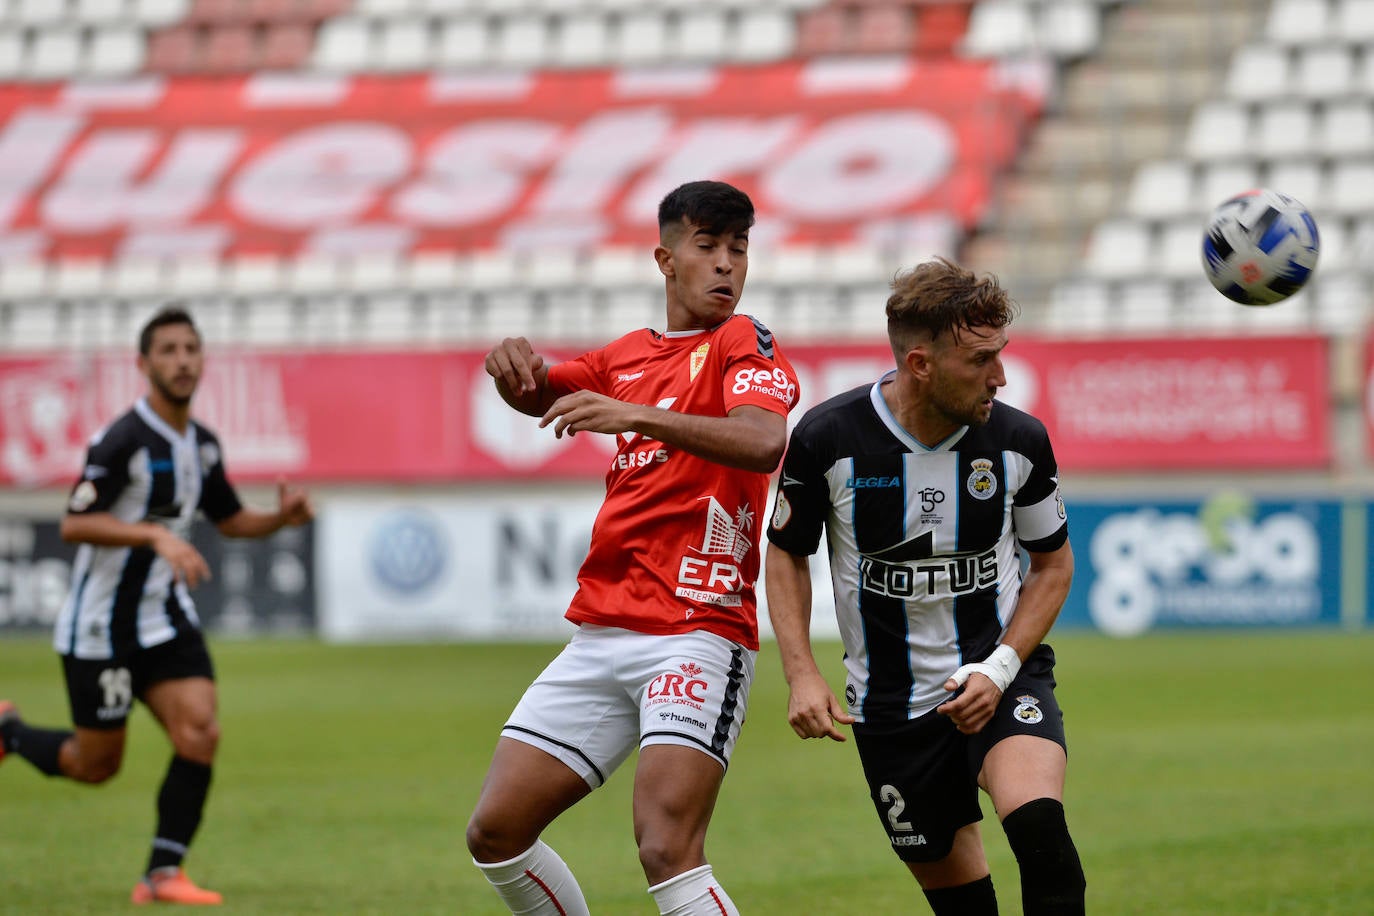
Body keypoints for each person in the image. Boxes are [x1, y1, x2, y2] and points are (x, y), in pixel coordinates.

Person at [468, 180, 799, 916]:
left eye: (738, 250)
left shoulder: (742, 342)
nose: (725, 266)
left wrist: (636, 416)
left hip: (696, 630)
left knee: (666, 849)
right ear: (665, 259)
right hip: (602, 632)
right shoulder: (626, 356)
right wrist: (507, 365)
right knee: (496, 833)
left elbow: (763, 439)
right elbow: (537, 392)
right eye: (707, 247)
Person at [763, 258, 1085, 915]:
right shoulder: (828, 441)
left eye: (1002, 355)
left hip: (1001, 679)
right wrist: (801, 673)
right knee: (962, 903)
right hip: (888, 706)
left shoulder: (1019, 440)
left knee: (1040, 833)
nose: (1001, 375)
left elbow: (1052, 566)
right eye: (981, 360)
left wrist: (997, 670)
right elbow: (786, 555)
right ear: (920, 365)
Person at [0, 306, 314, 906]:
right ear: (143, 365)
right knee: (96, 766)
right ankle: (9, 733)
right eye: (167, 350)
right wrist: (152, 533)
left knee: (200, 731)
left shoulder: (203, 444)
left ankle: (163, 873)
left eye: (190, 349)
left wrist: (279, 517)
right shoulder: (122, 440)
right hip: (102, 629)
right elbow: (74, 523)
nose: (182, 360)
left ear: (202, 360)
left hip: (164, 619)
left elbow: (229, 519)